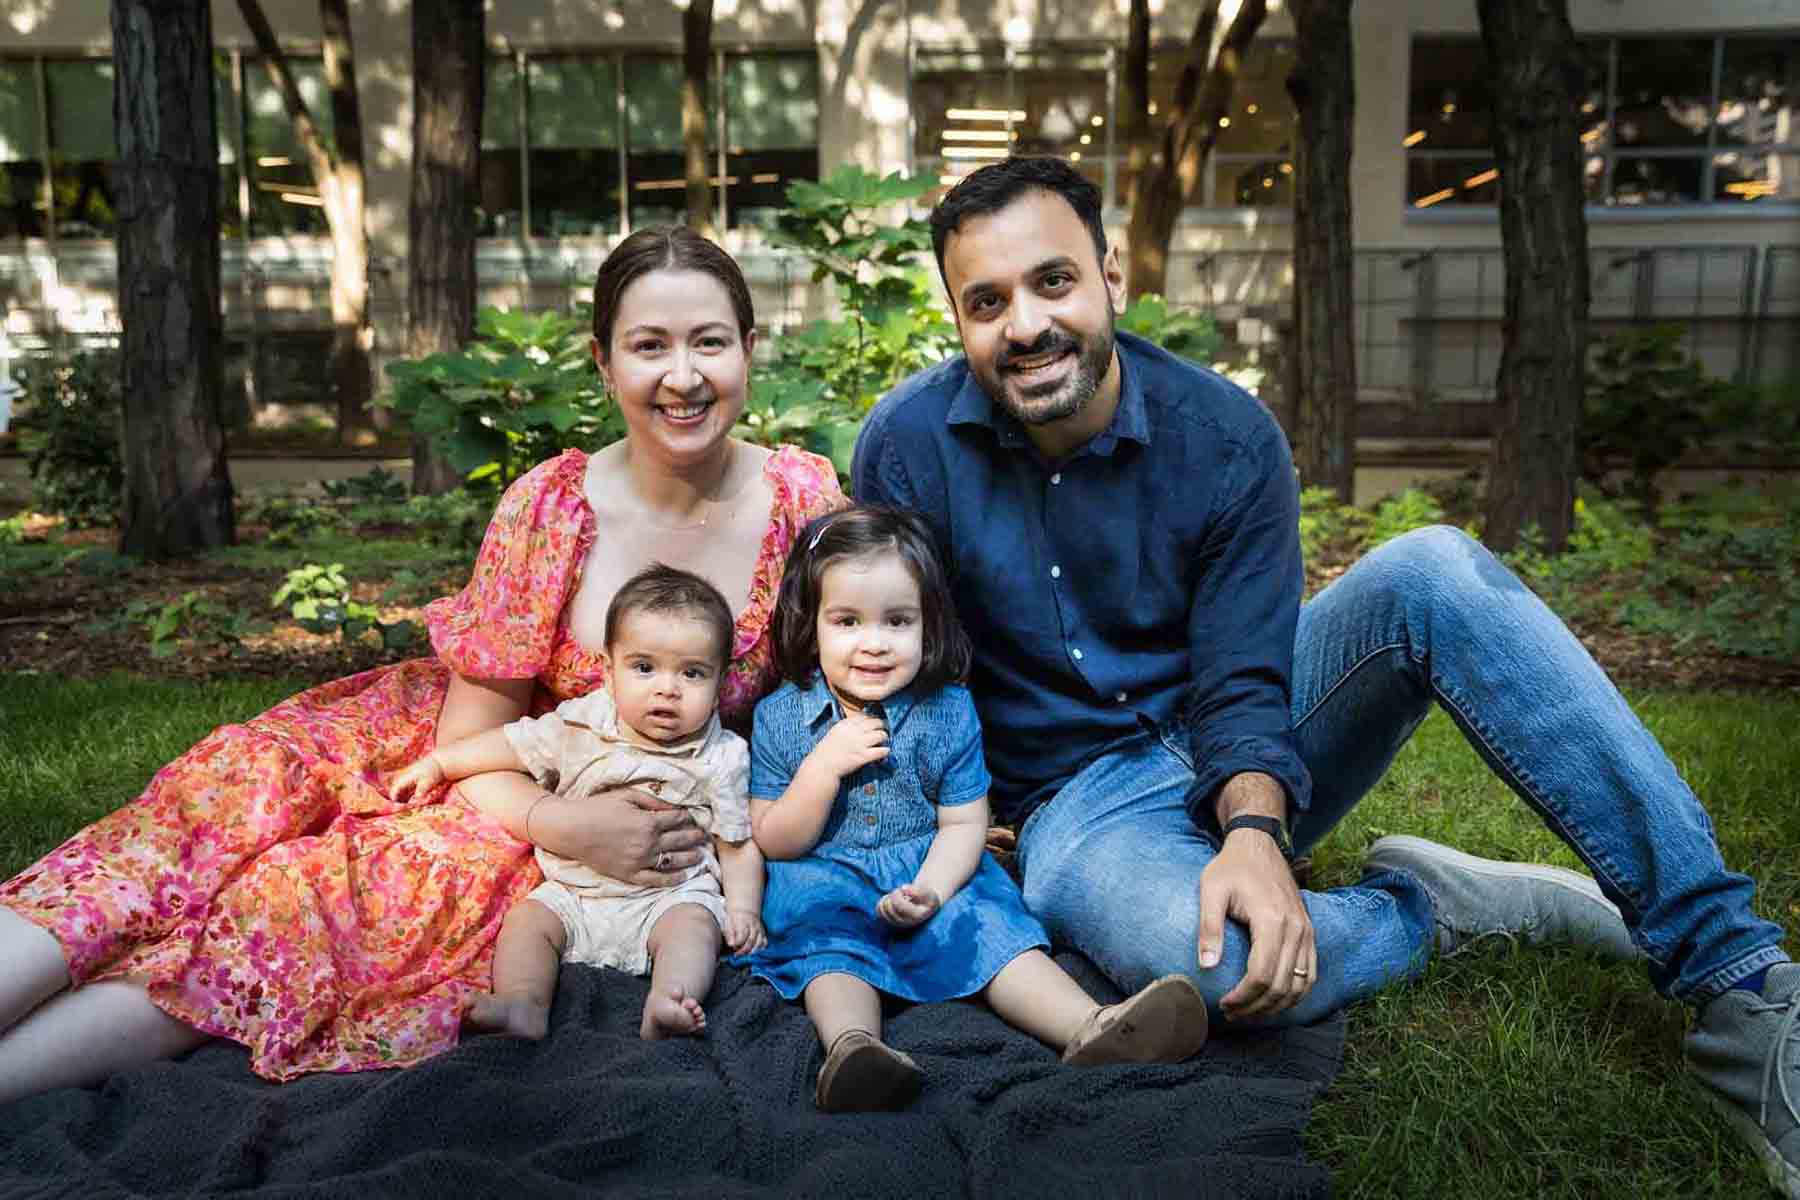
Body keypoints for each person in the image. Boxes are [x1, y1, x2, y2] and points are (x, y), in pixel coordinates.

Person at [851, 155, 1799, 1195]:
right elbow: (910, 669)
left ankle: (1740, 980)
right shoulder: (904, 449)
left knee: (1432, 569)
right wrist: (952, 819)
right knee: (1217, 971)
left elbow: (1248, 672)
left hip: (1243, 719)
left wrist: (1254, 831)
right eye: (986, 302)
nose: (1024, 324)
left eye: (1053, 282)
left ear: (1110, 276)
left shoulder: (1226, 436)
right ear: (956, 319)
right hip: (1078, 803)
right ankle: (1432, 909)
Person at [0, 226, 845, 1101]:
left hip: (634, 816)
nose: (683, 376)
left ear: (749, 349)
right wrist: (564, 823)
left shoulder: (803, 501)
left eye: (709, 342)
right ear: (603, 361)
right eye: (649, 346)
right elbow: (474, 737)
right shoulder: (552, 507)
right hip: (493, 774)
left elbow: (860, 673)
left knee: (294, 906)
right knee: (197, 835)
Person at [742, 504, 1209, 1113]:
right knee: (831, 949)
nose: (874, 643)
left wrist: (932, 890)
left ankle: (1091, 1026)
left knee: (996, 933)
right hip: (823, 874)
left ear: (929, 626)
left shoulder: (947, 710)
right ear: (812, 627)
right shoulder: (781, 717)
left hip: (929, 865)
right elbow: (775, 839)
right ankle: (855, 1049)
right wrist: (821, 769)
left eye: (897, 621)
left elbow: (964, 823)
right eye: (848, 621)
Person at [390, 564, 766, 1042]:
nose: (667, 688)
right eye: (644, 667)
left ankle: (669, 999)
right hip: (575, 891)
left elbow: (735, 844)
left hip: (669, 895)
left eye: (693, 673)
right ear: (609, 672)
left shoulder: (721, 755)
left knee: (695, 929)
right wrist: (442, 763)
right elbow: (513, 743)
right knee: (528, 922)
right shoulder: (582, 724)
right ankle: (522, 1003)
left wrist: (743, 910)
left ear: (720, 686)